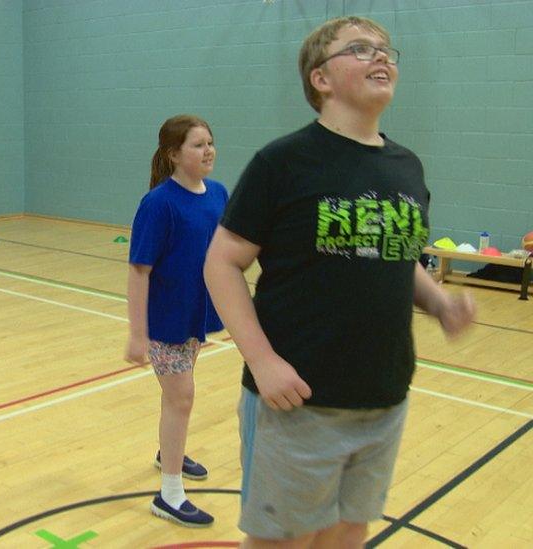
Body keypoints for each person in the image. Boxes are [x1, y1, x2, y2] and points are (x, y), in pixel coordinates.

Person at [204, 16, 476, 548]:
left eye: (385, 50)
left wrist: (440, 302)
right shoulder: (282, 162)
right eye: (360, 49)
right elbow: (221, 263)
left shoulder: (407, 167)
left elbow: (395, 257)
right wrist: (262, 360)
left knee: (349, 532)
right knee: (285, 541)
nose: (381, 57)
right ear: (320, 79)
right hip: (298, 402)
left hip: (384, 396)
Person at [125, 114, 228, 528]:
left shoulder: (218, 193)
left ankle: (168, 450)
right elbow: (138, 271)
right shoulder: (158, 204)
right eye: (198, 145)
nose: (208, 151)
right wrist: (137, 333)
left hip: (195, 315)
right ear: (173, 154)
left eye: (210, 142)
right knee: (182, 397)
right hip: (164, 321)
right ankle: (169, 495)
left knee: (177, 400)